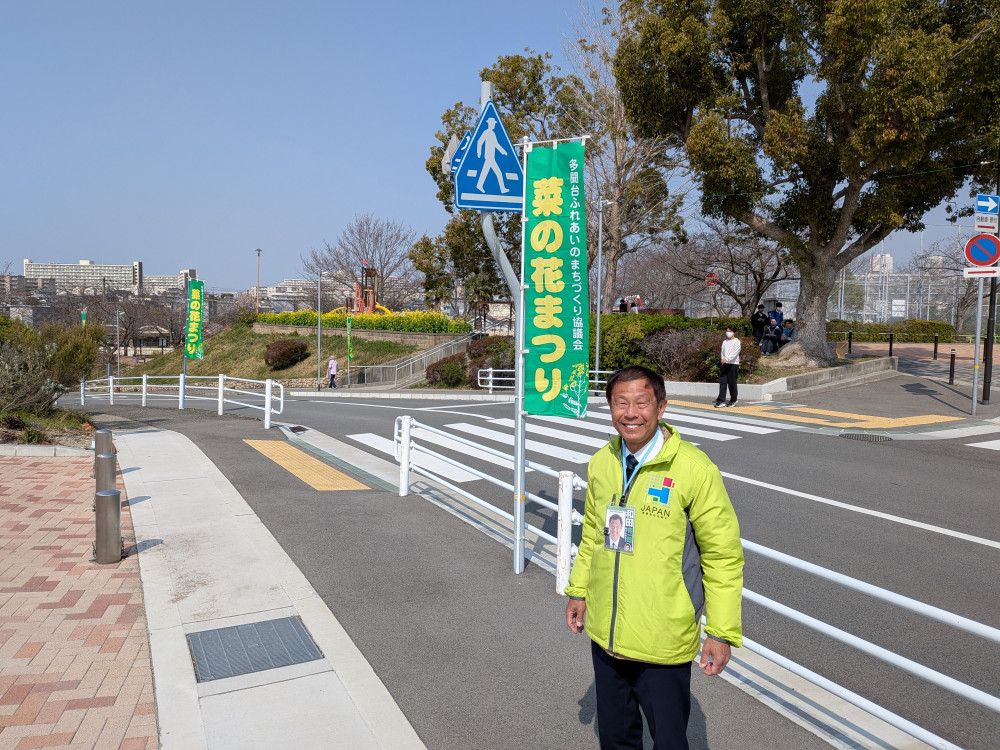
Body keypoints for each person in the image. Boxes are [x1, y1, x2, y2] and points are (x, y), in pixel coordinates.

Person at [565, 365, 744, 750]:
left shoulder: (694, 469)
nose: (630, 413)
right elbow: (594, 535)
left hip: (662, 640)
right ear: (610, 407)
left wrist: (720, 631)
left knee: (669, 741)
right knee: (615, 737)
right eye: (620, 402)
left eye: (642, 402)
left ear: (661, 407)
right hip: (607, 635)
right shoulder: (603, 462)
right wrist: (578, 591)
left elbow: (723, 556)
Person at [715, 326, 740, 408]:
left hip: (733, 364)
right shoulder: (724, 342)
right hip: (724, 364)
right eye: (727, 331)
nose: (727, 333)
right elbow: (722, 351)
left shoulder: (737, 342)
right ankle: (721, 400)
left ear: (734, 332)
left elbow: (735, 353)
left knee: (732, 383)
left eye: (729, 331)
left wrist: (727, 359)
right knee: (723, 382)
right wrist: (723, 360)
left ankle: (733, 399)